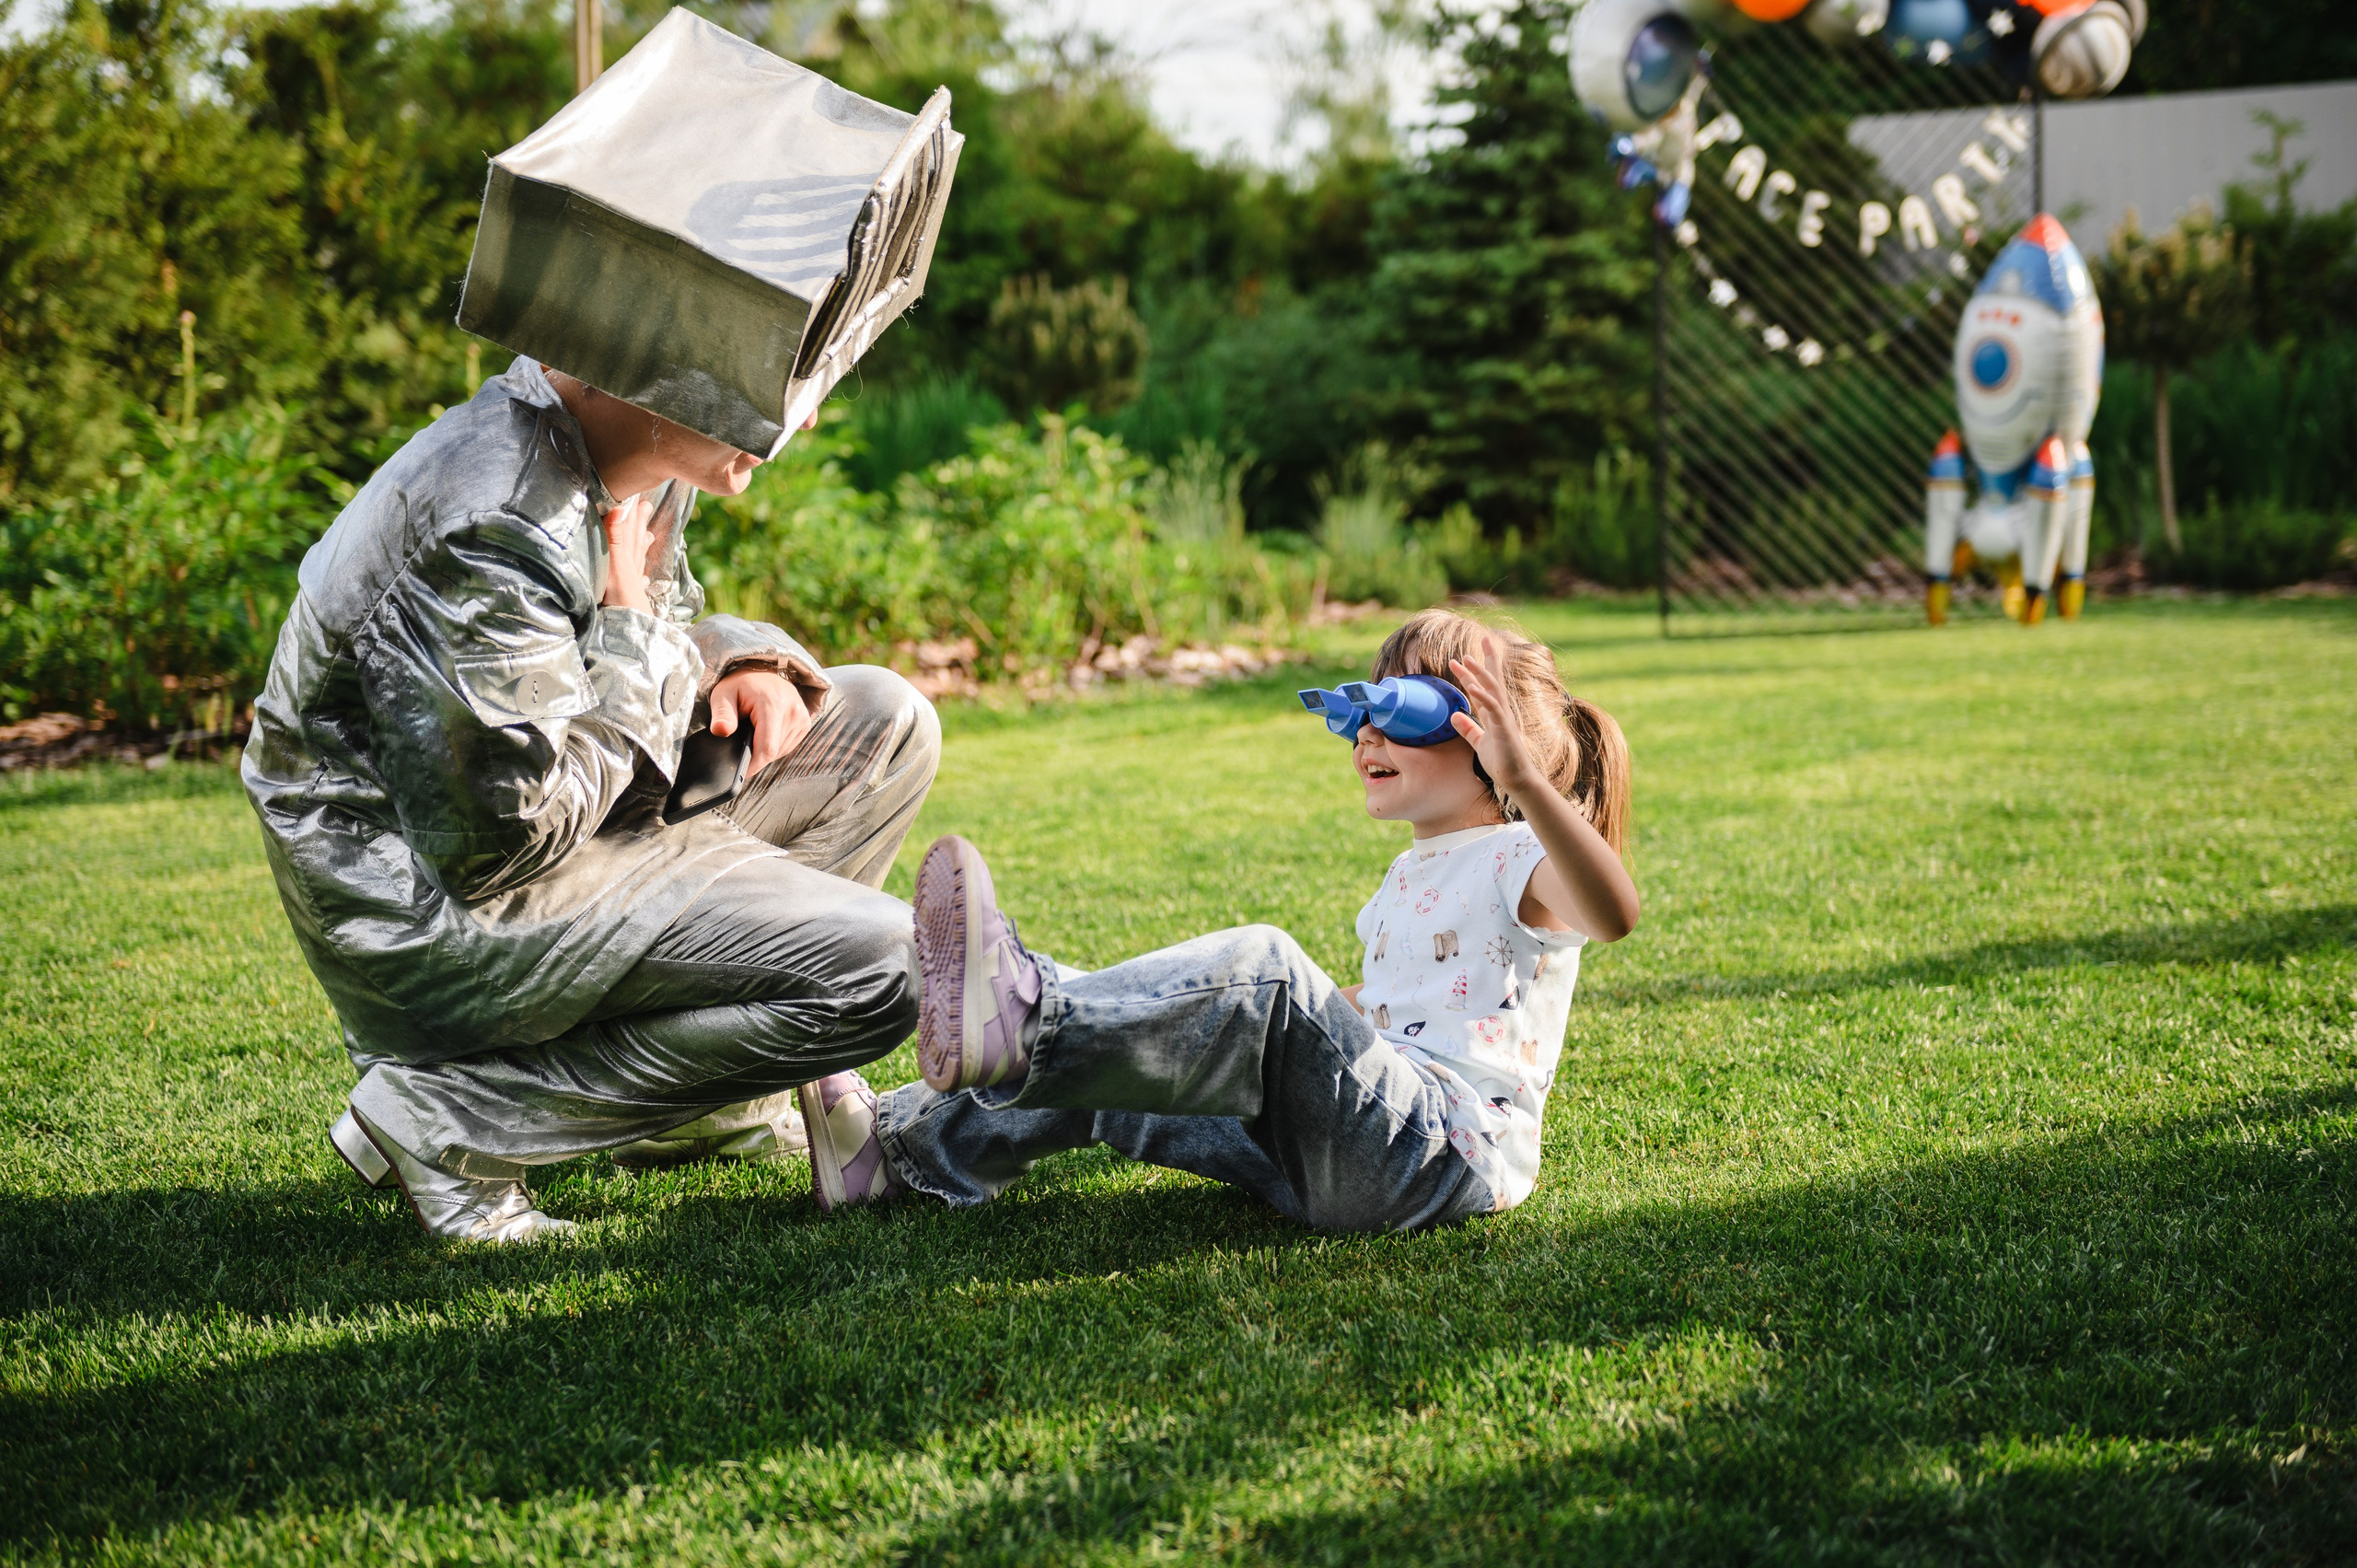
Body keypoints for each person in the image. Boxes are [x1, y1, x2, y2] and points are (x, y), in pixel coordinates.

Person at [243, 359, 938, 1242]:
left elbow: (648, 619)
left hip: (566, 824)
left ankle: (707, 1112)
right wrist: (636, 637)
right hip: (433, 908)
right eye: (779, 378)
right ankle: (458, 1115)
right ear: (666, 357)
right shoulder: (492, 515)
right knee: (889, 967)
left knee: (883, 721)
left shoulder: (640, 455)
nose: (801, 423)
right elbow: (503, 837)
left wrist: (736, 654)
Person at [793, 609, 1641, 1230]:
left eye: (1402, 713)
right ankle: (897, 1153)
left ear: (1490, 740)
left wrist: (1526, 781)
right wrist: (1186, 1022)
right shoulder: (1410, 873)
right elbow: (1375, 1008)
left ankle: (1030, 1012)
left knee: (1265, 968)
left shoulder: (1520, 853)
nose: (1366, 736)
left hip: (1436, 1155)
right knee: (1137, 1061)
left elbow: (1615, 913)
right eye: (1361, 714)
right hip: (1340, 1146)